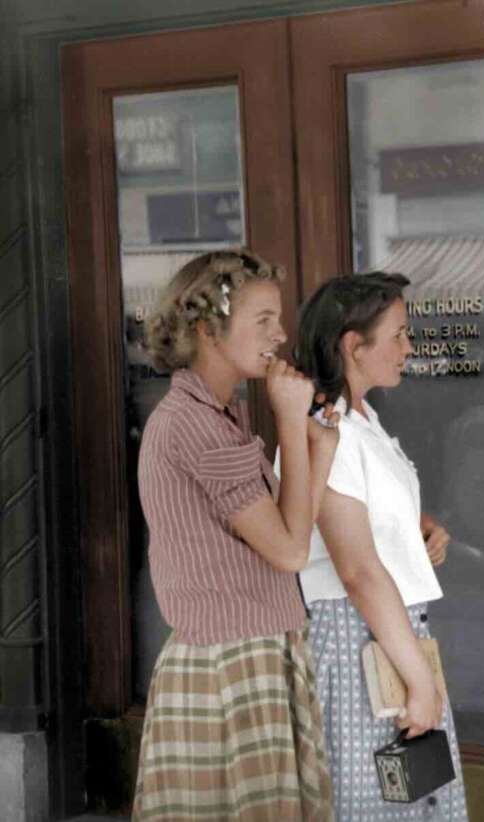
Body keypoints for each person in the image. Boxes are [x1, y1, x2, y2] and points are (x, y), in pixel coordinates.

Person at [133, 249, 337, 821]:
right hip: (228, 668)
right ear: (207, 330)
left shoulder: (218, 415)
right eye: (263, 319)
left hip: (252, 655)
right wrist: (292, 424)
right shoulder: (194, 423)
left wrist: (315, 453)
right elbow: (291, 550)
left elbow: (288, 532)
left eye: (279, 318)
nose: (281, 333)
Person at [294, 272, 468, 821]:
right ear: (352, 345)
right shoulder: (328, 431)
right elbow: (357, 570)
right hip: (357, 639)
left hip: (389, 633)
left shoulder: (361, 421)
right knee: (379, 800)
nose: (408, 347)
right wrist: (419, 680)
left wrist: (417, 528)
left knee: (410, 795)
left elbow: (370, 522)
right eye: (396, 335)